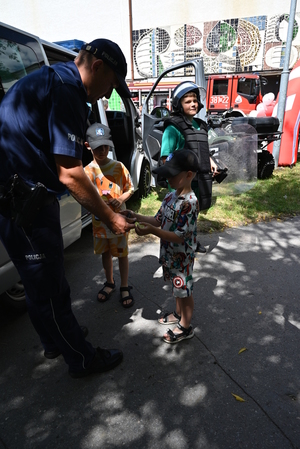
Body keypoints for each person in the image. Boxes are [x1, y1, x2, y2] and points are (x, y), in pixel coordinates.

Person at [0, 38, 135, 378]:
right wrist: (110, 217)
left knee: (36, 284)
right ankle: (82, 358)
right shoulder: (68, 90)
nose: (107, 95)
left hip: (12, 200)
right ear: (97, 66)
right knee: (51, 287)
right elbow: (71, 172)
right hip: (28, 203)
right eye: (110, 86)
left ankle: (55, 341)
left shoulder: (49, 78)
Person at [124, 149, 199, 343]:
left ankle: (185, 326)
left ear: (188, 175)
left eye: (171, 175)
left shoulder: (189, 203)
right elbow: (157, 220)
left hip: (182, 256)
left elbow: (180, 237)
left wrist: (151, 231)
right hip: (170, 254)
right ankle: (177, 313)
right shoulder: (169, 197)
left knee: (184, 289)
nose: (166, 179)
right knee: (176, 287)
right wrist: (137, 216)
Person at [160, 81, 217, 254]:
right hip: (182, 182)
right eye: (187, 101)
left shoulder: (201, 126)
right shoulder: (173, 128)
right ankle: (173, 245)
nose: (193, 104)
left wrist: (211, 161)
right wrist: (176, 178)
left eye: (195, 100)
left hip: (199, 179)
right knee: (176, 215)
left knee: (193, 212)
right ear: (178, 104)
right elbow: (165, 157)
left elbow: (200, 148)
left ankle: (191, 240)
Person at [84, 123, 135, 308]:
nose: (102, 150)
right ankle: (109, 282)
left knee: (122, 254)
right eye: (97, 147)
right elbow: (84, 195)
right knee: (105, 253)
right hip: (99, 223)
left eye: (105, 146)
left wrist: (120, 199)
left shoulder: (119, 167)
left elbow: (131, 188)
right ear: (88, 146)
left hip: (119, 220)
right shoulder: (87, 172)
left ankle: (124, 285)